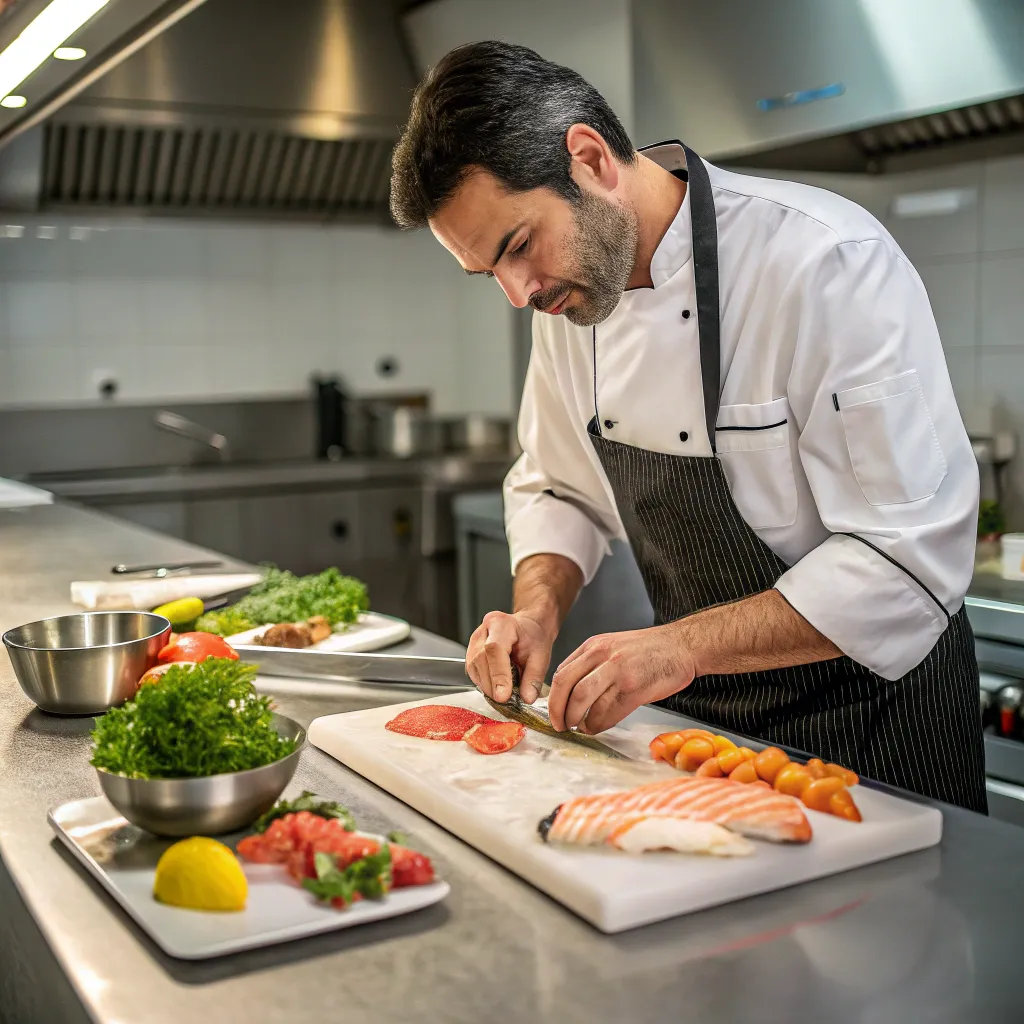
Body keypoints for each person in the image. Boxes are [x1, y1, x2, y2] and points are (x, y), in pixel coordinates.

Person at [389, 41, 986, 811]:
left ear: (590, 158)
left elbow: (906, 562)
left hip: (880, 725)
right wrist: (536, 610)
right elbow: (557, 487)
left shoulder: (826, 262)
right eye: (491, 274)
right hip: (712, 732)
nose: (517, 294)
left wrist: (675, 648)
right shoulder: (573, 297)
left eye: (518, 247)